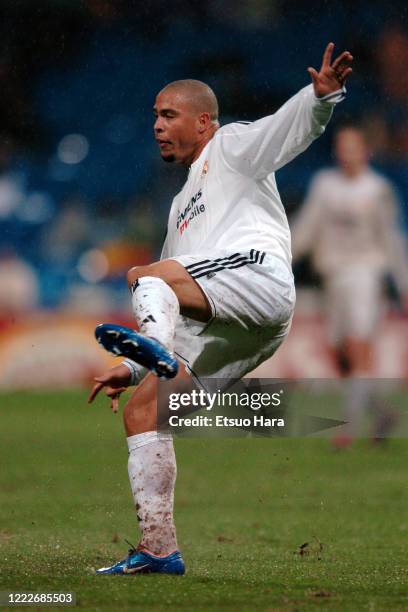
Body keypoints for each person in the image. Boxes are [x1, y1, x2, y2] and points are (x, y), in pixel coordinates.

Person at [88, 43, 353, 575]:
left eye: (169, 114)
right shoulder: (179, 208)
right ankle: (159, 549)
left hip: (255, 276)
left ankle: (153, 350)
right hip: (243, 326)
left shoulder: (230, 147)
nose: (158, 126)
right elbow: (169, 301)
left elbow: (283, 130)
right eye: (155, 117)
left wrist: (320, 99)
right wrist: (131, 366)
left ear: (204, 121)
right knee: (146, 409)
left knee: (143, 274)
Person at [291, 126, 408, 445]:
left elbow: (391, 239)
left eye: (353, 147)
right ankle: (383, 414)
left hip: (365, 276)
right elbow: (307, 228)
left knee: (359, 348)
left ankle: (350, 427)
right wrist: (281, 258)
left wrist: (403, 284)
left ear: (364, 151)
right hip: (332, 277)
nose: (347, 153)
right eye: (342, 147)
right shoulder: (325, 185)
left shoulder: (377, 189)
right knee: (339, 355)